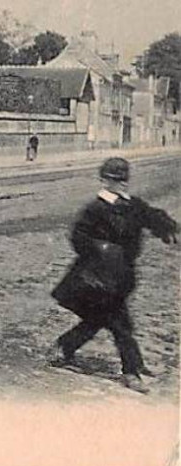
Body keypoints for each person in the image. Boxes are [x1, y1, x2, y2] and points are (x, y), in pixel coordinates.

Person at [51, 157, 177, 392]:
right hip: (95, 278)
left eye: (123, 180)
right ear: (104, 180)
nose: (119, 184)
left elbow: (154, 218)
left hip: (122, 277)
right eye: (113, 179)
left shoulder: (134, 206)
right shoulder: (95, 209)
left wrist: (168, 228)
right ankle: (131, 371)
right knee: (120, 324)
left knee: (101, 318)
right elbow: (79, 237)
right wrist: (102, 251)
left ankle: (65, 345)